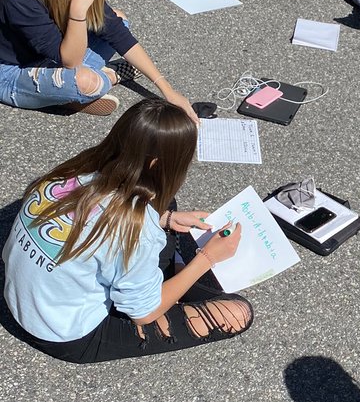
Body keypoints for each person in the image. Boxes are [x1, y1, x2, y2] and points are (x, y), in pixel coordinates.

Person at [2, 98, 253, 363]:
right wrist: (207, 258)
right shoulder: (134, 224)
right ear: (157, 164)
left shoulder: (75, 170)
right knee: (238, 313)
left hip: (24, 302)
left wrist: (165, 219)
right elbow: (144, 314)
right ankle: (179, 280)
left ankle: (173, 279)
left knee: (165, 205)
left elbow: (95, 224)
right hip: (67, 334)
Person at [0, 0, 196, 119]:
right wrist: (78, 9)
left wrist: (167, 89)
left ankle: (67, 95)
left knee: (119, 19)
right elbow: (71, 61)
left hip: (50, 56)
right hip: (11, 72)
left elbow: (119, 34)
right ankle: (107, 77)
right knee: (86, 82)